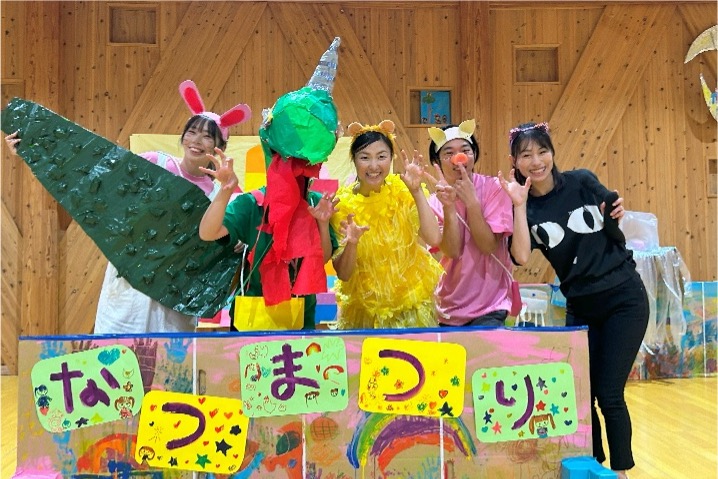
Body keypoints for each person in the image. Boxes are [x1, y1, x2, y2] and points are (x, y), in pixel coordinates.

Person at [4, 79, 252, 334]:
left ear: (220, 147)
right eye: (191, 132)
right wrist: (32, 149)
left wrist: (240, 243)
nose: (196, 140)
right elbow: (93, 173)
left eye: (207, 136)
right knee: (117, 350)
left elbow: (238, 240)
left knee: (167, 356)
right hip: (129, 286)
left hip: (173, 301)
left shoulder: (223, 195)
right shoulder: (154, 163)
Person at [498, 121, 648, 479]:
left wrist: (616, 208)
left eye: (542, 151)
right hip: (580, 306)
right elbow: (520, 255)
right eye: (526, 155)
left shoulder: (581, 181)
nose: (536, 161)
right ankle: (592, 467)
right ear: (515, 162)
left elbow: (610, 202)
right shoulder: (524, 208)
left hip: (624, 297)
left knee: (609, 393)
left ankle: (621, 472)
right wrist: (518, 205)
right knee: (583, 394)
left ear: (552, 153)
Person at [329, 120, 443, 329]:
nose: (374, 166)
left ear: (391, 159)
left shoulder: (403, 191)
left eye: (381, 157)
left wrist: (416, 191)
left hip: (412, 307)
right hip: (364, 314)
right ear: (354, 160)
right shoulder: (342, 206)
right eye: (365, 157)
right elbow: (343, 274)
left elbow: (434, 238)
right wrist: (352, 243)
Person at [425, 119, 515, 327]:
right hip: (448, 307)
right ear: (437, 162)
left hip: (491, 305)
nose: (459, 158)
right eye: (448, 153)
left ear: (474, 154)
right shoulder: (434, 203)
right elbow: (452, 251)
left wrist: (472, 202)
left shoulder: (495, 188)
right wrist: (449, 206)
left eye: (465, 150)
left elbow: (488, 246)